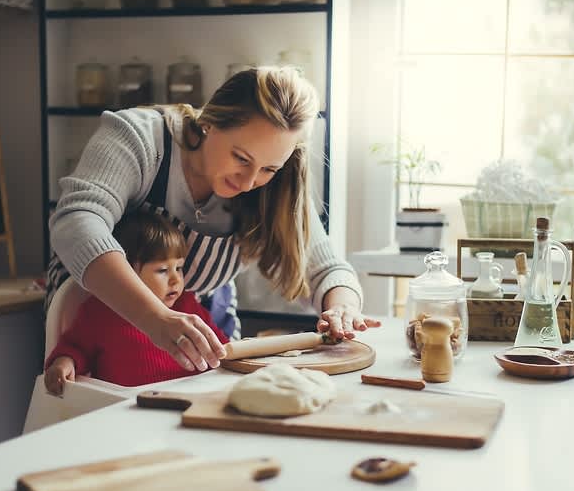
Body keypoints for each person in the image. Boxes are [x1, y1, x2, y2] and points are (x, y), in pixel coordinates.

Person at [46, 65, 380, 375]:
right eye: (241, 158)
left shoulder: (278, 184)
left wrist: (342, 309)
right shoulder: (142, 138)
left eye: (268, 169)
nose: (249, 182)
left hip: (195, 339)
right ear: (211, 121)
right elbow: (78, 221)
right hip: (96, 327)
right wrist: (155, 317)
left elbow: (326, 269)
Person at [44, 212, 228, 394]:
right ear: (128, 272)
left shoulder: (188, 306)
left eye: (179, 268)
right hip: (123, 411)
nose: (175, 280)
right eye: (163, 270)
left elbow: (220, 347)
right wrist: (64, 362)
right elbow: (75, 348)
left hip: (187, 403)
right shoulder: (99, 313)